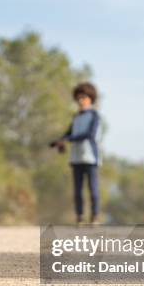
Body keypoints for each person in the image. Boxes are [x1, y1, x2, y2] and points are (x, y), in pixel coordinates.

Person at [50, 82, 100, 224]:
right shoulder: (76, 117)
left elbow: (89, 134)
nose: (80, 101)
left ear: (90, 98)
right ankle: (80, 216)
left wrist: (68, 139)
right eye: (78, 98)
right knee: (77, 191)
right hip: (76, 157)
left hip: (90, 157)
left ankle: (94, 216)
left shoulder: (94, 116)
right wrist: (59, 141)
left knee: (93, 190)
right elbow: (69, 133)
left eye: (83, 97)